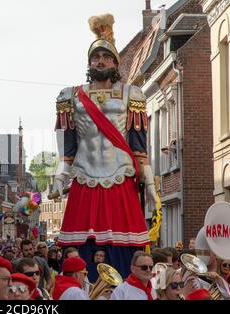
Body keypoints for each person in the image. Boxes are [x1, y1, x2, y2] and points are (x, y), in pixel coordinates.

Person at [52, 13, 154, 282]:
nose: (100, 61)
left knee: (123, 247)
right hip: (85, 176)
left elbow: (139, 146)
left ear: (115, 62)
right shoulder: (69, 96)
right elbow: (67, 148)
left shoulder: (131, 95)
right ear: (89, 63)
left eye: (106, 57)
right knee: (80, 248)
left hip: (120, 175)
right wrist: (59, 176)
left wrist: (151, 185)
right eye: (96, 57)